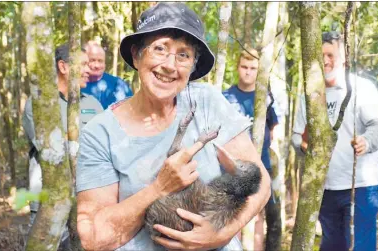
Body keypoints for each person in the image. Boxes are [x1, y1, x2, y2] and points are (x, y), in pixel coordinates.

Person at [76, 3, 271, 251]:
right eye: (160, 49)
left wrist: (222, 233)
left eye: (183, 55)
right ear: (137, 55)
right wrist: (160, 188)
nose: (170, 65)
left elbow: (260, 181)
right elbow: (94, 238)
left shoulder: (206, 101)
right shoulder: (99, 133)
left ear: (192, 67)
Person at [291, 31, 378, 251]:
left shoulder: (361, 88)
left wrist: (366, 141)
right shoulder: (309, 94)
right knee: (333, 245)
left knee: (360, 245)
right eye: (320, 55)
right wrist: (302, 146)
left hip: (361, 185)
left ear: (344, 57)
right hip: (325, 186)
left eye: (330, 55)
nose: (325, 60)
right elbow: (297, 137)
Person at [22, 44, 103, 249]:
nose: (89, 69)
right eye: (82, 64)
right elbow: (52, 149)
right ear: (63, 67)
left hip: (87, 199)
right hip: (48, 199)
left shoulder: (92, 104)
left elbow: (104, 147)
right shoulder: (40, 104)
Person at [223, 47, 279, 250]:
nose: (248, 71)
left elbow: (273, 130)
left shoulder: (266, 98)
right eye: (244, 67)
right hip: (232, 170)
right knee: (234, 217)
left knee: (257, 218)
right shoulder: (225, 97)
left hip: (260, 166)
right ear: (238, 68)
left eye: (253, 68)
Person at [81, 41, 133, 109]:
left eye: (100, 61)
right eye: (92, 60)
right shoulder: (75, 84)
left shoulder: (117, 85)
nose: (97, 65)